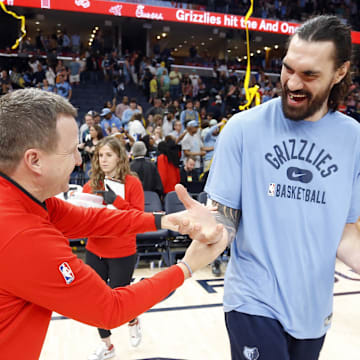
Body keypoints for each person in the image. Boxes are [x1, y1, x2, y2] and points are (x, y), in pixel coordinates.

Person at [0, 88, 228, 360]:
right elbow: (110, 309)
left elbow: (92, 219)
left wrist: (165, 219)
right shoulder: (23, 235)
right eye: (71, 151)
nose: (77, 160)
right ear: (34, 160)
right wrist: (188, 265)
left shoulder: (23, 198)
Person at [204, 15, 360, 360]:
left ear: (339, 73)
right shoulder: (243, 130)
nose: (292, 83)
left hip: (313, 310)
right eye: (288, 69)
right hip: (252, 300)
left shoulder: (353, 139)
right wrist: (210, 230)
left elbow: (347, 234)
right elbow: (225, 219)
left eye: (309, 75)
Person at [83, 136, 144, 358]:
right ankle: (107, 345)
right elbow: (83, 216)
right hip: (95, 249)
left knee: (120, 300)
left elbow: (138, 217)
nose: (103, 160)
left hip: (122, 251)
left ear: (119, 157)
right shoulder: (91, 185)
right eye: (100, 155)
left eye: (108, 155)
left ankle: (133, 318)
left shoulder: (132, 183)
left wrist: (115, 200)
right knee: (96, 300)